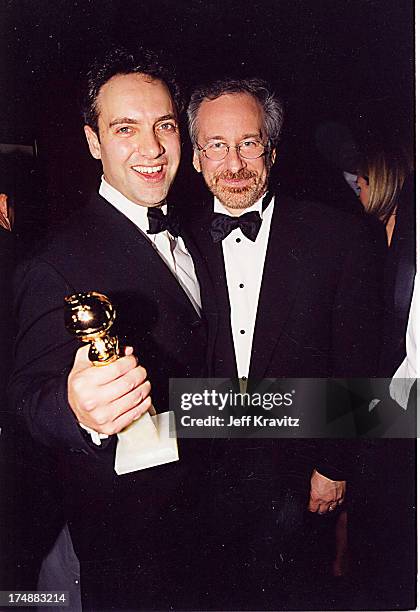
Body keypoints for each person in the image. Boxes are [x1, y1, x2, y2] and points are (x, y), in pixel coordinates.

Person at [10, 46, 213, 611]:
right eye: (125, 129)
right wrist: (75, 408)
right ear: (94, 142)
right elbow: (25, 399)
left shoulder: (194, 231)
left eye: (163, 126)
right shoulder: (55, 262)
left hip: (214, 516)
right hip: (133, 545)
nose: (151, 149)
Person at [184, 77, 383, 608]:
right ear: (197, 157)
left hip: (299, 477)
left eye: (248, 143)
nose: (234, 163)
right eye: (217, 146)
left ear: (270, 151)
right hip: (198, 479)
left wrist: (337, 464)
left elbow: (362, 366)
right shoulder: (173, 242)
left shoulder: (339, 237)